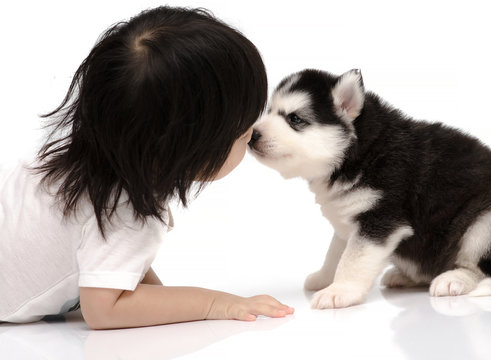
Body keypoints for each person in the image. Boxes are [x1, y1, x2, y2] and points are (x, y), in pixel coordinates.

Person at [0, 6, 294, 329]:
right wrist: (216, 303)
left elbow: (119, 269)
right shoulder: (127, 212)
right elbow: (103, 309)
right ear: (182, 150)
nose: (252, 134)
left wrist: (161, 300)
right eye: (241, 134)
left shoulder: (82, 162)